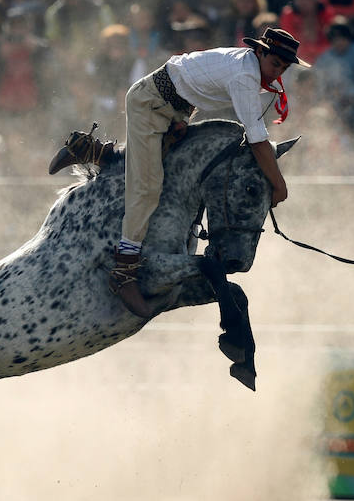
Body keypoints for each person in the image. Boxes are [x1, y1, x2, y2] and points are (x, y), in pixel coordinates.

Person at [47, 27, 309, 317]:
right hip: (152, 102)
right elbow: (258, 140)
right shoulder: (245, 75)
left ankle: (94, 151)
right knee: (147, 190)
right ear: (260, 51)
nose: (277, 73)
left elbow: (195, 75)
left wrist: (183, 116)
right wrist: (279, 185)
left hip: (171, 104)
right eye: (275, 64)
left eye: (283, 68)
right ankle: (123, 272)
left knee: (157, 169)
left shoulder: (246, 63)